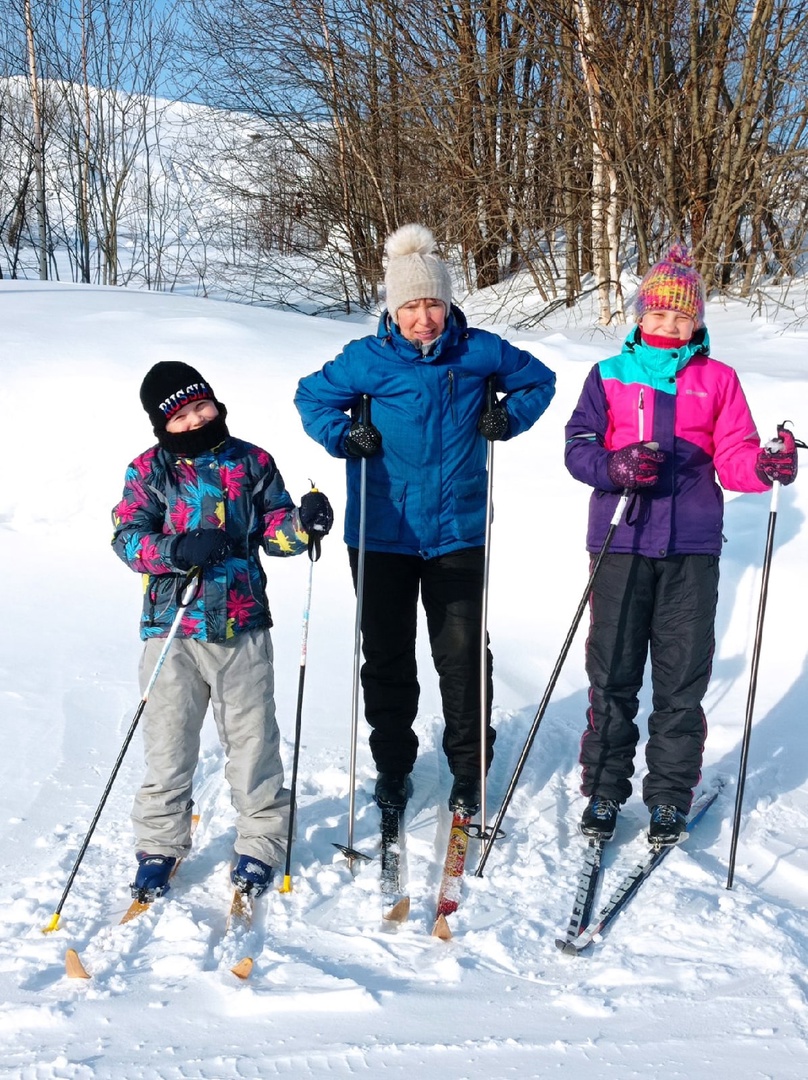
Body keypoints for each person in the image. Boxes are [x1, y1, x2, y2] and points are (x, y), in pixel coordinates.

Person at [294, 223, 556, 816]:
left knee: (463, 656)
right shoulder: (366, 359)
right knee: (388, 657)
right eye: (410, 305)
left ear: (448, 302)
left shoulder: (479, 351)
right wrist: (343, 434)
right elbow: (311, 397)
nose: (423, 318)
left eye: (433, 302)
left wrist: (508, 418)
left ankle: (470, 770)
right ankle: (393, 767)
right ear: (392, 307)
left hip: (457, 532)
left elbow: (540, 380)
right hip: (380, 534)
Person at [565, 245, 798, 846]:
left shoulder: (717, 379)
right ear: (640, 315)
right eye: (659, 314)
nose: (670, 326)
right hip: (620, 539)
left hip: (691, 545)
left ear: (698, 322)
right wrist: (614, 465)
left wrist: (766, 466)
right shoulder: (608, 377)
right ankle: (605, 791)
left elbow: (737, 454)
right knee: (612, 671)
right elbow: (579, 446)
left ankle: (668, 796)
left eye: (682, 317)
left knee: (681, 676)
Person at [111, 361, 333, 899]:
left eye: (201, 407)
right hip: (173, 630)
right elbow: (127, 539)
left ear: (215, 402)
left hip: (242, 625)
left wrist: (303, 525)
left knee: (254, 742)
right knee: (168, 745)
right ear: (163, 424)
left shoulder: (252, 461)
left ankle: (260, 842)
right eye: (181, 415)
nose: (195, 419)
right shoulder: (149, 470)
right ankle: (160, 845)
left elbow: (275, 532)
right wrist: (174, 550)